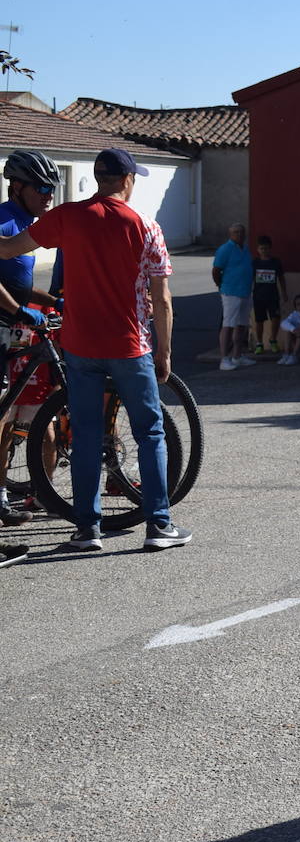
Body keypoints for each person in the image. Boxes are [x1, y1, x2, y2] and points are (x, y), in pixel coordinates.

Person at [0, 147, 190, 552]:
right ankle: (159, 526)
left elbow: (6, 249)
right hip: (130, 345)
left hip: (80, 346)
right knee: (150, 433)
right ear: (127, 180)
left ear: (98, 178)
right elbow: (164, 299)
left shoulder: (67, 217)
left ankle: (88, 530)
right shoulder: (146, 226)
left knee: (85, 436)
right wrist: (165, 351)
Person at [0, 151, 65, 532]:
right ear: (18, 186)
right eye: (42, 188)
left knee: (29, 413)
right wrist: (18, 311)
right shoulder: (4, 220)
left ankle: (41, 492)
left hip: (14, 327)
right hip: (2, 326)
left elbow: (19, 286)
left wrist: (53, 301)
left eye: (52, 189)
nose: (48, 196)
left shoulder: (28, 223)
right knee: (3, 416)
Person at [213, 223, 255, 371]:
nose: (239, 235)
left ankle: (237, 356)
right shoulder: (225, 249)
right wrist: (221, 286)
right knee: (228, 325)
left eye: (241, 232)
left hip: (245, 291)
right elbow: (216, 270)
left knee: (242, 324)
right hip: (230, 292)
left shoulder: (245, 249)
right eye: (235, 232)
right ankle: (224, 358)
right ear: (230, 234)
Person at [251, 235, 287, 356]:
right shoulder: (255, 263)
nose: (264, 251)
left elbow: (281, 278)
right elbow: (250, 278)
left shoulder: (276, 262)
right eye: (261, 248)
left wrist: (284, 292)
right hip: (258, 297)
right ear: (257, 249)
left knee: (275, 318)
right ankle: (259, 344)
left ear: (270, 248)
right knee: (259, 321)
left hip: (273, 296)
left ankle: (273, 340)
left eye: (266, 248)